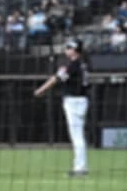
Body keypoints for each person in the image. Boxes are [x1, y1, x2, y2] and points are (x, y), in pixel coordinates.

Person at [34, 38, 91, 177]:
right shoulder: (83, 63)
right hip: (81, 99)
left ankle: (80, 168)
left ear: (75, 50)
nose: (66, 50)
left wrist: (41, 90)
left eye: (69, 48)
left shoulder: (73, 64)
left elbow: (56, 78)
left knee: (77, 136)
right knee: (78, 135)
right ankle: (81, 166)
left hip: (74, 100)